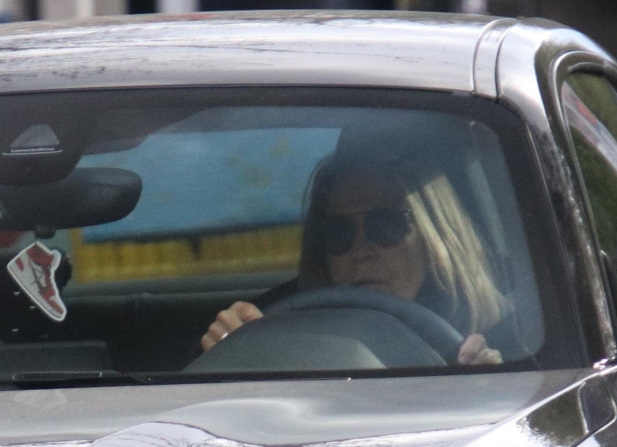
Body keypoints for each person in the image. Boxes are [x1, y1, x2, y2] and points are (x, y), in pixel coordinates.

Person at [200, 152, 511, 364]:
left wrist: (486, 383)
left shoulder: (511, 335)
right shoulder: (279, 330)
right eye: (338, 232)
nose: (360, 251)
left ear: (435, 238)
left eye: (385, 225)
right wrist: (233, 352)